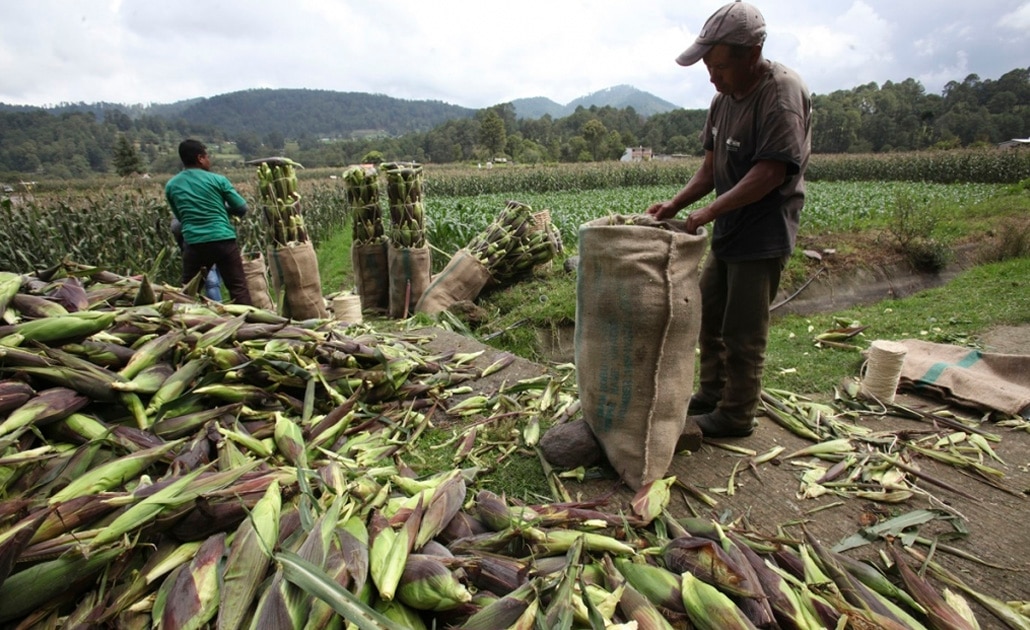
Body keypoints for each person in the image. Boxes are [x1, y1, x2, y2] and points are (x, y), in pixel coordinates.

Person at [646, 1, 812, 438]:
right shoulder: (723, 100)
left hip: (763, 231)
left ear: (751, 55)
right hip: (730, 227)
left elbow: (770, 172)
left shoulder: (780, 95)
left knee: (743, 330)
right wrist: (676, 206)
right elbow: (710, 169)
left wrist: (710, 212)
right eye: (707, 66)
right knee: (710, 313)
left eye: (719, 66)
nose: (712, 76)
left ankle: (737, 415)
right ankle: (713, 392)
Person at [165, 139, 253, 305]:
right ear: (200, 158)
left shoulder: (172, 185)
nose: (209, 160)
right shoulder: (218, 180)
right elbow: (241, 207)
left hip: (194, 244)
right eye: (207, 157)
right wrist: (222, 209)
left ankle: (184, 325)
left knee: (188, 292)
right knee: (238, 288)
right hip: (223, 240)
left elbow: (181, 218)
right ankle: (251, 325)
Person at [170, 217, 223, 301]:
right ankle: (218, 305)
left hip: (201, 247)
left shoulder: (182, 216)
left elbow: (176, 229)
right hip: (216, 242)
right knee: (212, 282)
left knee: (212, 282)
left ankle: (217, 305)